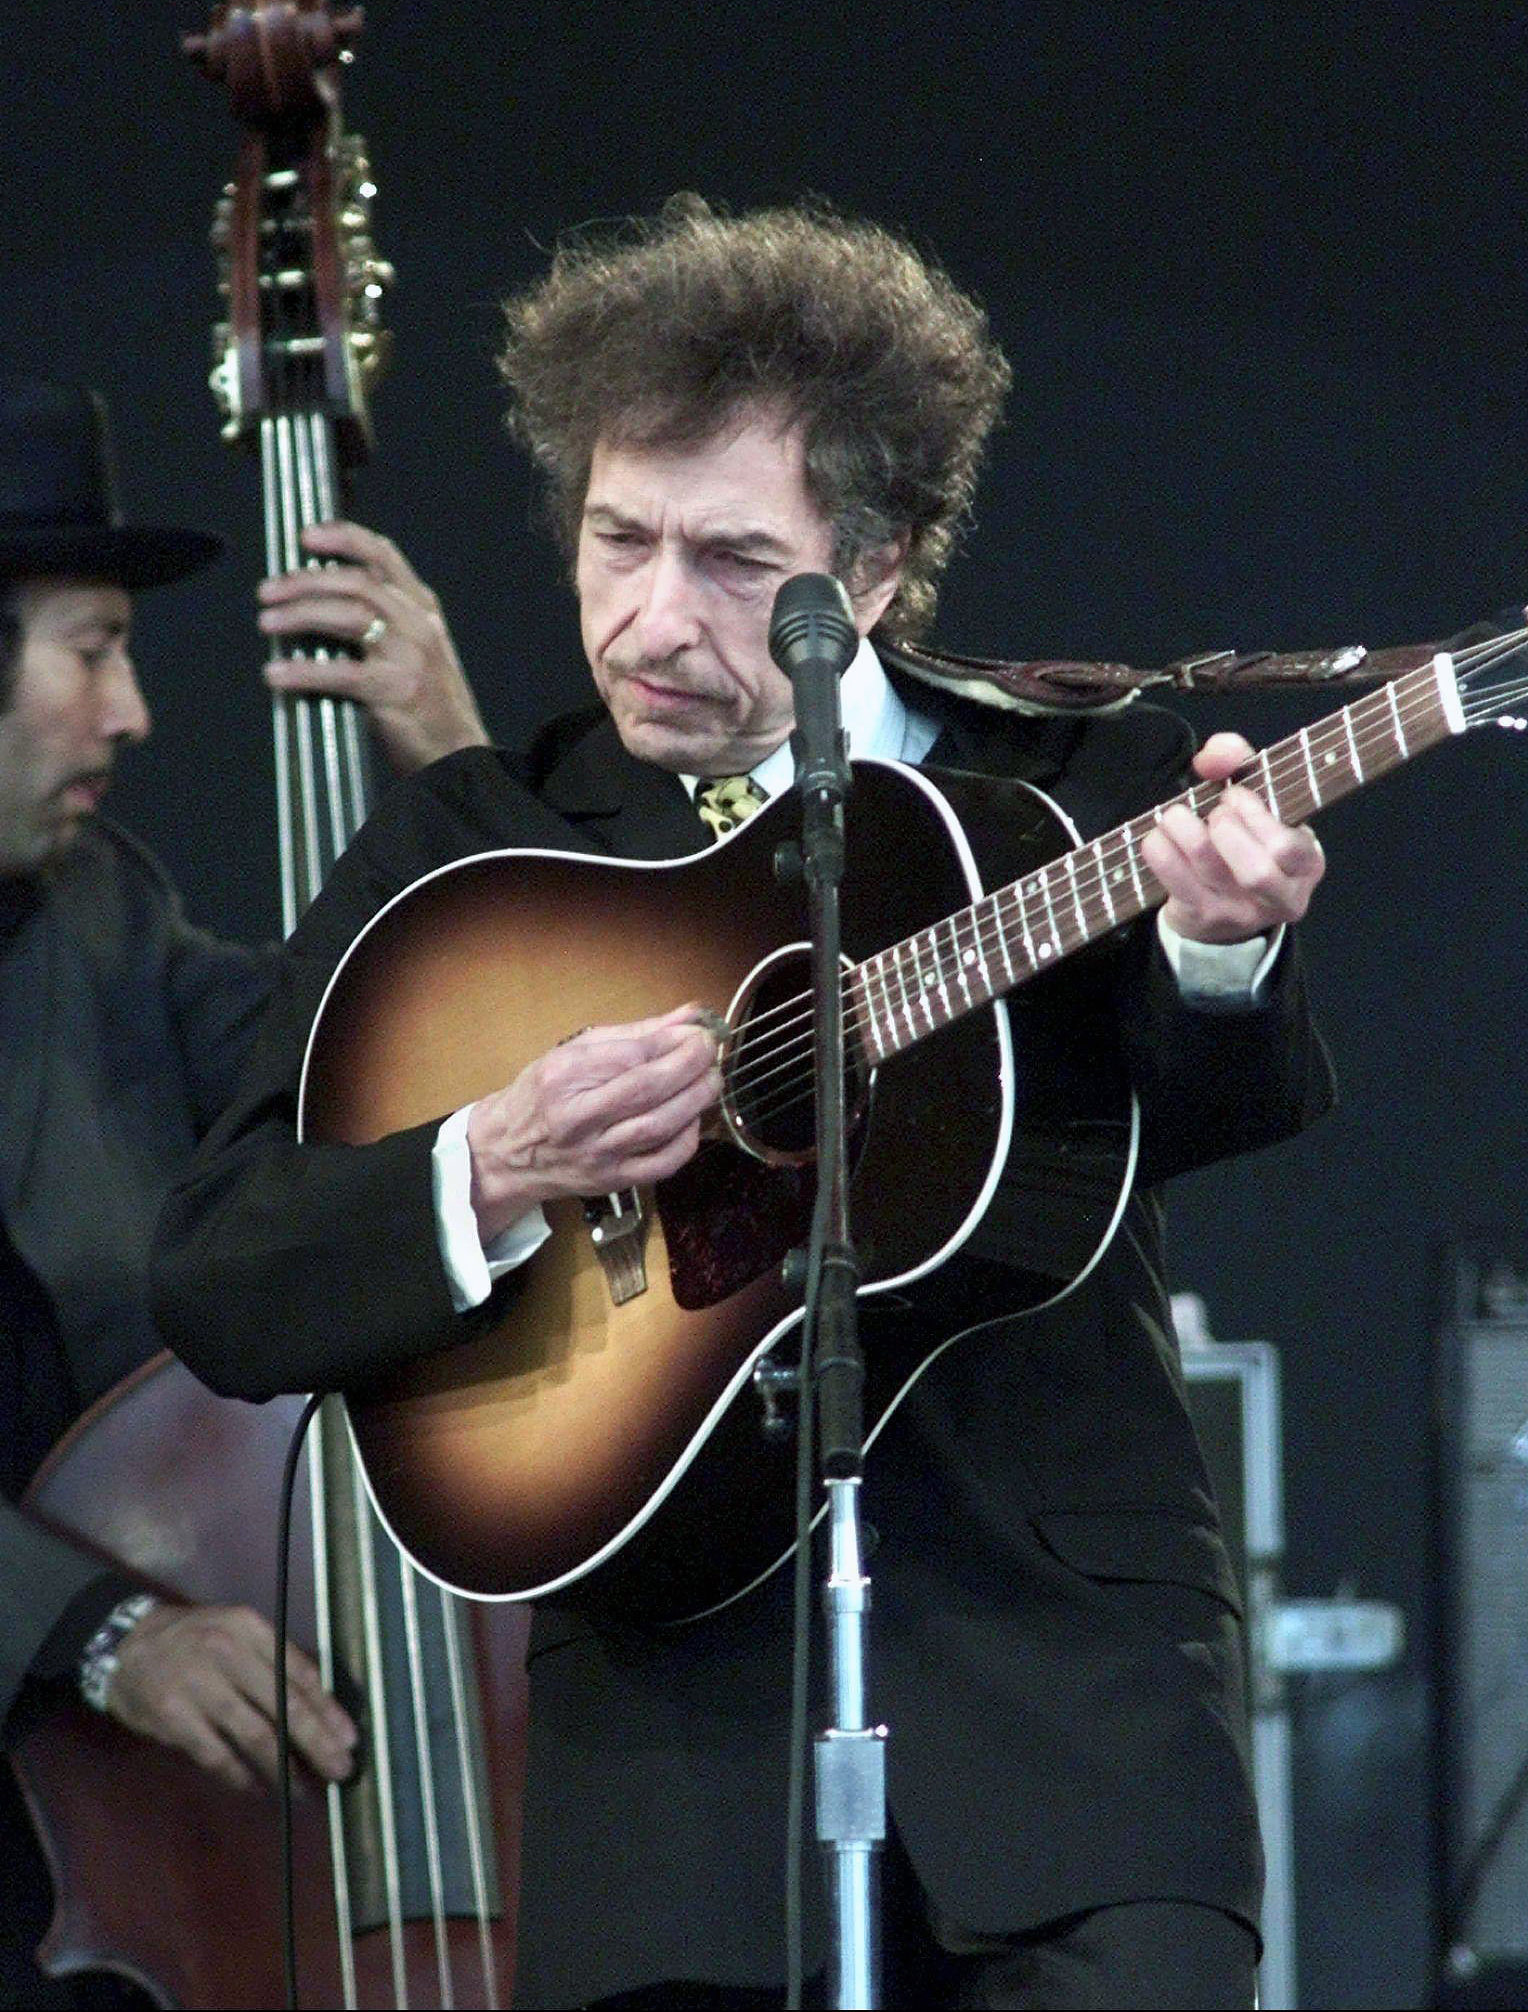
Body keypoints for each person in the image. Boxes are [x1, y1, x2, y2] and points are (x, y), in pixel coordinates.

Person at [151, 199, 1335, 2010]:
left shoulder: (1071, 786)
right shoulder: (480, 854)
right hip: (671, 1778)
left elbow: (1205, 1113)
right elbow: (223, 1274)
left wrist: (1219, 951)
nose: (652, 618)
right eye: (617, 540)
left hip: (1070, 1722)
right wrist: (496, 1160)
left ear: (874, 569)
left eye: (730, 562)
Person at [0, 371, 489, 2007]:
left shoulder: (104, 910)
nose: (134, 712)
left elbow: (369, 1062)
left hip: (144, 1834)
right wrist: (104, 1632)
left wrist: (451, 768)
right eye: (94, 651)